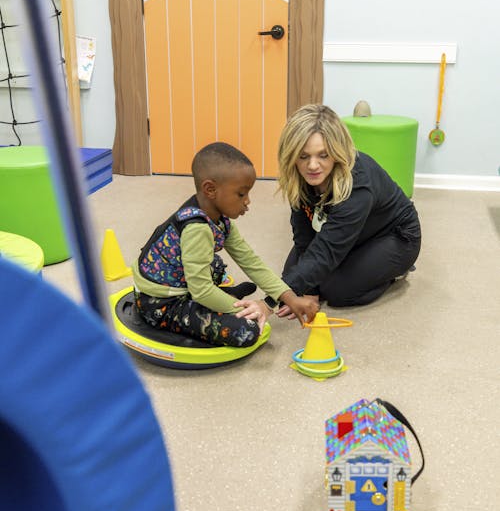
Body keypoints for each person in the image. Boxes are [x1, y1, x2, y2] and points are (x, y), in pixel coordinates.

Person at [132, 142, 319, 347]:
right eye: (241, 194)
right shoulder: (197, 229)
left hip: (186, 286)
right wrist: (245, 309)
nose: (247, 201)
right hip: (161, 304)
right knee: (247, 330)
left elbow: (250, 261)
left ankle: (221, 297)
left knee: (215, 264)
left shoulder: (219, 219)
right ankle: (223, 299)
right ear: (210, 189)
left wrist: (289, 297)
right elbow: (201, 291)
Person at [276, 104, 421, 314]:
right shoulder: (299, 175)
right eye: (303, 156)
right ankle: (351, 264)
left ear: (337, 152)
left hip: (394, 237)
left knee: (336, 291)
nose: (313, 165)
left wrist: (267, 303)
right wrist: (309, 291)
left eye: (323, 155)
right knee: (295, 278)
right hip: (347, 232)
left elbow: (325, 253)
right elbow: (303, 236)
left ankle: (394, 271)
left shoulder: (358, 184)